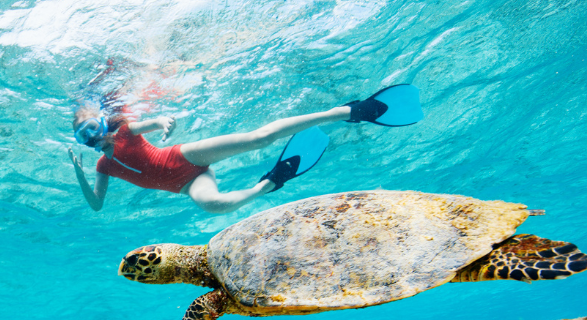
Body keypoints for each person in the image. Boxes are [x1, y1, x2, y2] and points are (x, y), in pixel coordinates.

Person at [68, 84, 423, 213]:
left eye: (93, 127)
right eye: (84, 136)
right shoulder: (102, 168)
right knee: (214, 206)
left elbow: (155, 122)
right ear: (82, 143)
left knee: (259, 138)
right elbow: (96, 206)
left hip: (186, 156)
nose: (93, 136)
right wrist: (81, 175)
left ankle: (347, 112)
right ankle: (269, 183)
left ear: (103, 122)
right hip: (188, 184)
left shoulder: (127, 132)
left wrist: (164, 123)